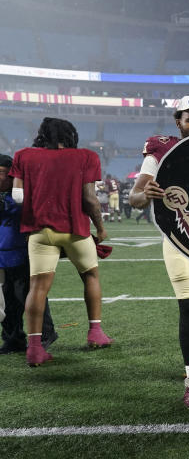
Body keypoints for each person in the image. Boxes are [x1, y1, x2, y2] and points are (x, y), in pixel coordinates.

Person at [128, 95, 189, 408]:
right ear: (177, 121)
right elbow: (135, 197)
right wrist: (146, 193)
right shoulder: (161, 148)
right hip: (181, 238)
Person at [10, 118, 112, 367]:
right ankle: (95, 333)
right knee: (90, 276)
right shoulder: (86, 156)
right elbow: (89, 199)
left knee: (38, 288)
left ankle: (34, 348)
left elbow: (17, 196)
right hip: (75, 229)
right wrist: (99, 227)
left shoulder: (23, 155)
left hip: (39, 230)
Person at [0, 154, 56, 354]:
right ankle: (13, 339)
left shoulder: (23, 195)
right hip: (3, 256)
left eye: (2, 174)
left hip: (24, 254)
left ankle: (45, 334)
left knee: (28, 296)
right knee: (7, 302)